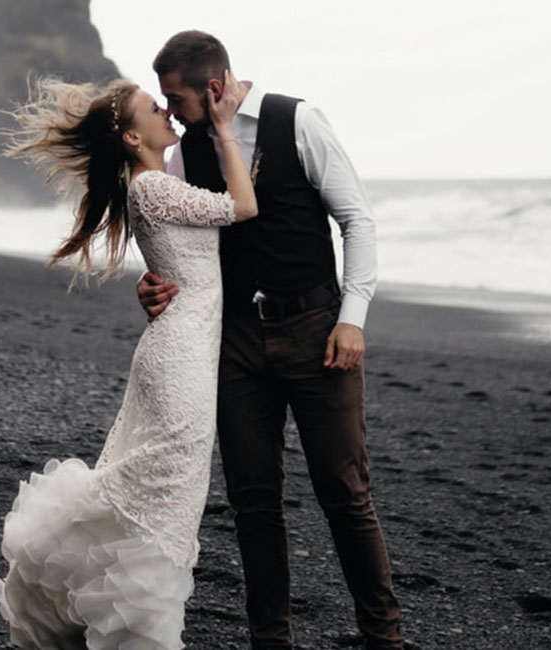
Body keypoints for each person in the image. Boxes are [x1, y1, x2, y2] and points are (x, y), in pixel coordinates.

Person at [137, 31, 403, 649]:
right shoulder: (185, 151)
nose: (169, 111)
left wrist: (353, 317)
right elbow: (181, 242)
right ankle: (271, 641)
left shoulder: (297, 119)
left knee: (345, 493)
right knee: (253, 501)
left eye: (175, 98)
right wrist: (151, 285)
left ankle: (384, 638)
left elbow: (356, 218)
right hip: (232, 341)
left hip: (317, 329)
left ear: (212, 86)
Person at [0, 70, 256, 649]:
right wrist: (229, 128)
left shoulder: (156, 183)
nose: (166, 112)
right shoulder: (152, 187)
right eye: (153, 109)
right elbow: (242, 205)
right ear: (132, 139)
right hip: (179, 360)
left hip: (179, 350)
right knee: (161, 508)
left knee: (156, 502)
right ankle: (139, 634)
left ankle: (118, 622)